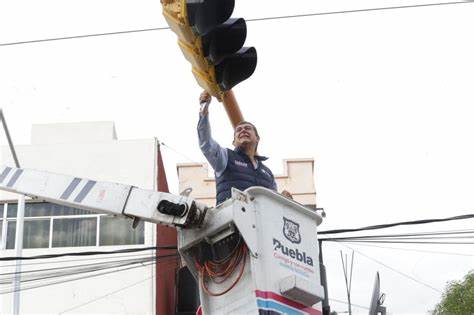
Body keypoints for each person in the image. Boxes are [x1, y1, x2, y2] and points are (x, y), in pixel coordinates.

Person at [197, 90, 289, 205]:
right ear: (234, 142)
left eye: (247, 128)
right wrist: (203, 109)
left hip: (260, 222)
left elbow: (273, 203)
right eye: (238, 130)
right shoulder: (225, 157)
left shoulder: (268, 173)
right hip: (231, 220)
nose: (243, 130)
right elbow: (206, 143)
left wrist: (285, 201)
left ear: (257, 138)